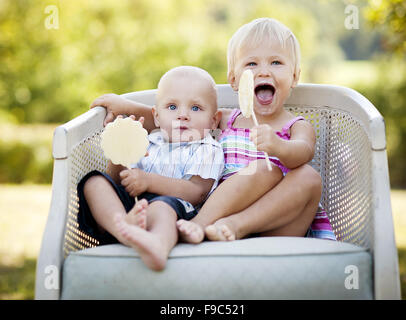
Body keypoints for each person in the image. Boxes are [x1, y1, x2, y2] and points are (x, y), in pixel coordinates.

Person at [90, 18, 336, 245]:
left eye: (276, 62)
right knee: (259, 170)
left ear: (294, 76)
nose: (263, 71)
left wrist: (278, 146)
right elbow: (175, 121)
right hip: (221, 212)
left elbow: (303, 152)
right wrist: (125, 106)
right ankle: (199, 224)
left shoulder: (296, 125)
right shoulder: (229, 119)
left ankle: (235, 225)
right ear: (234, 79)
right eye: (251, 63)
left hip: (278, 222)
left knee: (305, 177)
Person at [77, 66, 224, 271]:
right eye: (172, 107)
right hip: (132, 208)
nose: (182, 115)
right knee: (94, 182)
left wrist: (149, 181)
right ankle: (122, 228)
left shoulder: (207, 148)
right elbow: (118, 180)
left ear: (214, 120)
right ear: (156, 116)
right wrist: (120, 152)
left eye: (196, 108)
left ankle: (158, 245)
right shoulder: (147, 141)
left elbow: (196, 193)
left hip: (175, 210)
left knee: (161, 207)